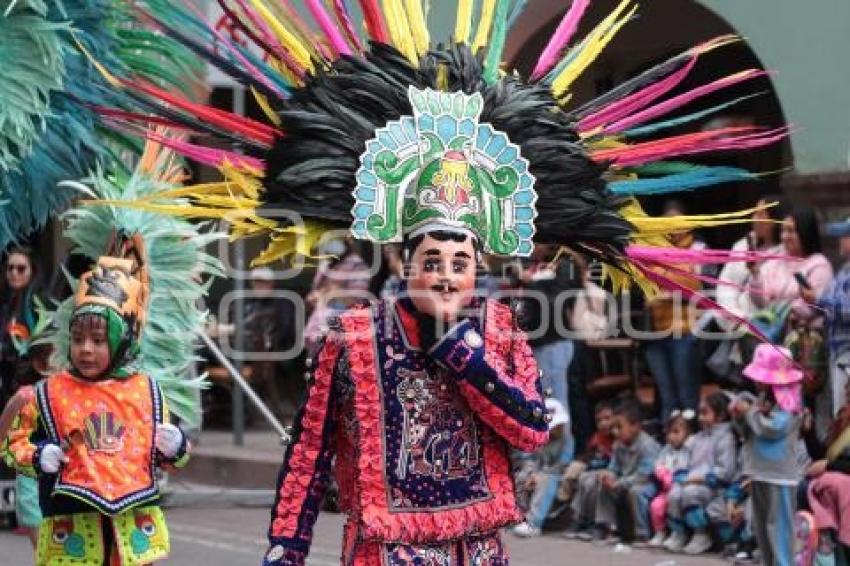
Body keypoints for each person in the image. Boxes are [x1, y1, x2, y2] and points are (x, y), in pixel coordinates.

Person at [4, 243, 192, 564]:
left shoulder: (145, 390)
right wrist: (38, 455)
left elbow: (166, 461)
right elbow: (11, 444)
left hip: (130, 530)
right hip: (72, 527)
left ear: (120, 342)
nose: (86, 349)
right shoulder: (48, 391)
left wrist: (177, 447)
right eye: (78, 339)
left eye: (98, 340)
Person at [731, 344, 804, 566]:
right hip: (760, 472)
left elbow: (770, 429)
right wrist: (739, 416)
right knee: (762, 526)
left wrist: (750, 413)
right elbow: (749, 432)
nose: (756, 381)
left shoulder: (790, 404)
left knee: (779, 526)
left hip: (780, 475)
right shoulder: (763, 399)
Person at [644, 201, 704, 422]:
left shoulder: (697, 250)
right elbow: (645, 287)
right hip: (656, 330)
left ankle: (692, 443)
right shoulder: (654, 253)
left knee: (686, 394)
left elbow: (698, 290)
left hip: (685, 330)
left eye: (677, 222)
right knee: (667, 396)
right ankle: (669, 445)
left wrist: (665, 296)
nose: (673, 228)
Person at [663, 392, 737, 554]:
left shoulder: (726, 438)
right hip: (692, 481)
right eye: (700, 413)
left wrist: (701, 478)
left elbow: (725, 471)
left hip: (714, 486)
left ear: (721, 415)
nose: (700, 417)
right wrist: (682, 476)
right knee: (674, 494)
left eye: (705, 413)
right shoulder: (696, 438)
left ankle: (701, 534)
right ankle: (679, 533)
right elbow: (685, 461)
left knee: (691, 493)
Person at [593, 401, 660, 543]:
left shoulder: (647, 446)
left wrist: (618, 483)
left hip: (648, 483)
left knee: (636, 492)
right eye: (614, 427)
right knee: (604, 487)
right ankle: (607, 527)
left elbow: (644, 475)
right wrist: (608, 476)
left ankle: (643, 534)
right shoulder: (619, 445)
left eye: (619, 427)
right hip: (625, 481)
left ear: (635, 426)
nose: (615, 432)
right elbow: (613, 468)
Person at [513, 399, 572, 537]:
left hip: (559, 476)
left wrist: (538, 475)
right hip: (539, 474)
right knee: (521, 477)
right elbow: (531, 460)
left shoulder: (567, 441)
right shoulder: (540, 440)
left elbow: (562, 466)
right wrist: (531, 473)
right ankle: (520, 517)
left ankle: (534, 522)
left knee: (544, 480)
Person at [564, 402, 616, 538]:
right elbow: (589, 456)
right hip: (596, 469)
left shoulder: (618, 437)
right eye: (599, 420)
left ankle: (599, 524)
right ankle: (580, 519)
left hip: (610, 472)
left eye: (607, 418)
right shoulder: (597, 437)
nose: (603, 423)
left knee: (592, 481)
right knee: (584, 478)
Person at [817, 216, 850, 419]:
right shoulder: (844, 270)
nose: (840, 241)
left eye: (845, 236)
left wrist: (820, 299)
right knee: (840, 415)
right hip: (838, 353)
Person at [646, 410, 694, 548]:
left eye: (676, 432)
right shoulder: (667, 449)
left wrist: (675, 478)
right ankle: (660, 532)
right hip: (665, 489)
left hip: (680, 486)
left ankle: (678, 533)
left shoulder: (688, 449)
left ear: (688, 433)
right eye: (668, 432)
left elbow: (687, 467)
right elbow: (658, 463)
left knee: (674, 506)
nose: (671, 437)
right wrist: (661, 472)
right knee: (656, 506)